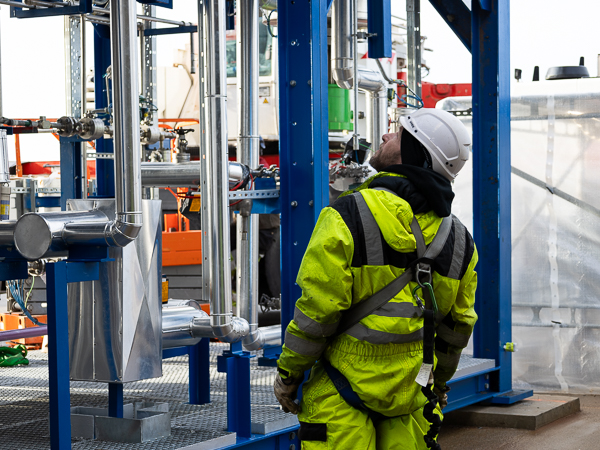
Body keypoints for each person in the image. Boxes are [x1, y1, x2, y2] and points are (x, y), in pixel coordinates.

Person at [273, 108, 478, 449]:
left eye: (397, 134)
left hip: (341, 394)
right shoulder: (460, 240)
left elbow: (317, 312)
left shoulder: (346, 216)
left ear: (416, 152)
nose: (385, 137)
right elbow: (457, 328)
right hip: (413, 395)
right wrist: (438, 383)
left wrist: (289, 373)